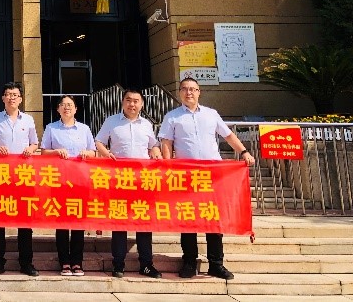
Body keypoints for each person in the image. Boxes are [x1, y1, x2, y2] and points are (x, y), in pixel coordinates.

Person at [158, 76, 256, 280]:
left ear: (199, 92)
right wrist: (168, 166)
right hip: (187, 176)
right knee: (188, 219)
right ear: (180, 93)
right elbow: (167, 142)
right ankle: (189, 262)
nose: (189, 92)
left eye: (193, 89)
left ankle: (216, 264)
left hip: (213, 176)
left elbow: (228, 135)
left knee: (214, 219)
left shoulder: (211, 114)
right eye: (185, 89)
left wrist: (244, 152)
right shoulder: (172, 117)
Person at [95, 88, 163, 279]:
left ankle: (146, 264)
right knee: (119, 222)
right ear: (123, 102)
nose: (132, 104)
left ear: (141, 104)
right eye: (128, 100)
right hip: (120, 179)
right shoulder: (111, 121)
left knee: (143, 222)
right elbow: (98, 141)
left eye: (135, 101)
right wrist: (106, 154)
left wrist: (156, 152)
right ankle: (118, 263)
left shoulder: (147, 125)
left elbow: (153, 145)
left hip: (142, 180)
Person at [0, 81, 39, 277]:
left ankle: (26, 262)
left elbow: (35, 143)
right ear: (3, 98)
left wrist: (30, 149)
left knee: (25, 221)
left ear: (21, 99)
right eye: (8, 94)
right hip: (1, 175)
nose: (11, 98)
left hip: (23, 175)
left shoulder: (28, 120)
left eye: (15, 95)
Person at [41, 95, 96, 277]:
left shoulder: (84, 129)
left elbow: (93, 152)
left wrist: (87, 153)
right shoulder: (51, 128)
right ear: (58, 109)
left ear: (76, 109)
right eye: (63, 105)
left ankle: (77, 262)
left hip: (80, 181)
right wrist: (56, 152)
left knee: (78, 222)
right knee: (62, 222)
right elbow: (43, 152)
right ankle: (64, 261)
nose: (67, 108)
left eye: (70, 105)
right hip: (59, 180)